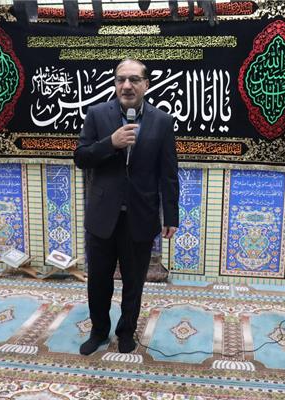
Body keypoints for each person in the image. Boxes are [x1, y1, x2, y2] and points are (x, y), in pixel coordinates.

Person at [74, 58, 179, 355]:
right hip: (102, 217)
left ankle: (126, 331)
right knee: (98, 282)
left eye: (134, 79)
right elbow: (81, 157)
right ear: (115, 83)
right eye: (121, 79)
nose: (127, 85)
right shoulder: (96, 115)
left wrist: (171, 215)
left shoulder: (162, 121)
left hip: (140, 216)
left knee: (134, 282)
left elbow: (168, 174)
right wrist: (111, 143)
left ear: (146, 84)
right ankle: (98, 331)